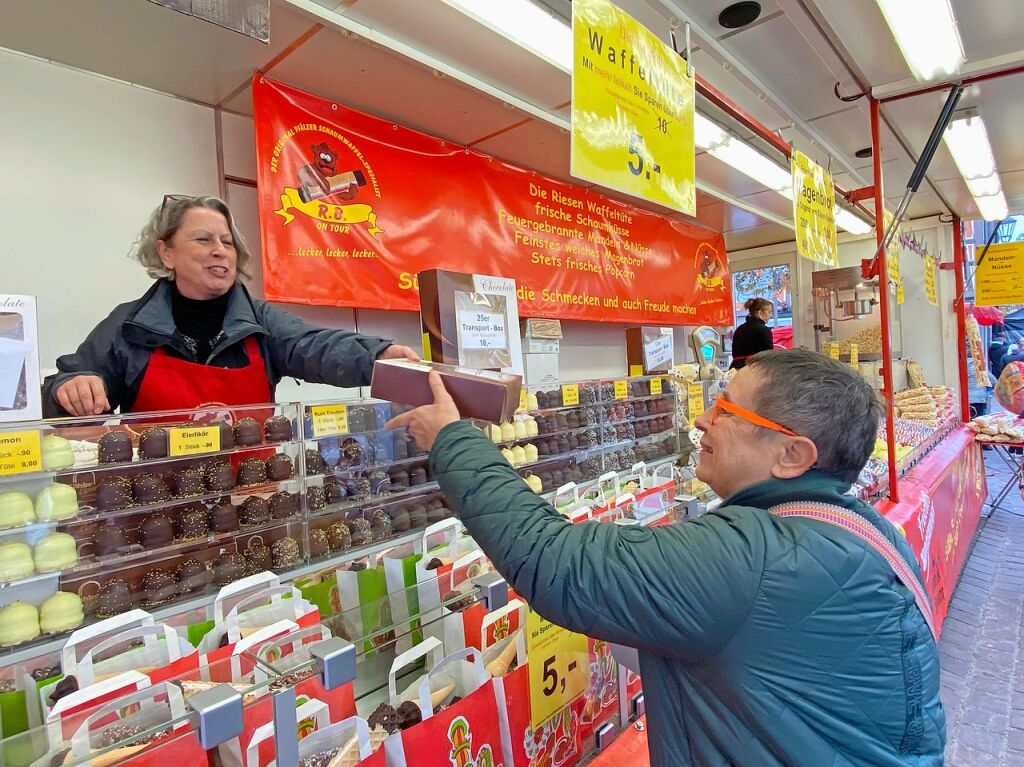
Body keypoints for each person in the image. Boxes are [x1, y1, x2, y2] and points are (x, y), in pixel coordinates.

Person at [389, 349, 944, 767]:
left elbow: (555, 560)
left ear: (791, 454)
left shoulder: (754, 558)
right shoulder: (860, 531)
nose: (702, 419)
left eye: (725, 409)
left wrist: (451, 440)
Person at [41, 195, 418, 416]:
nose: (220, 250)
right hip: (156, 511)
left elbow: (314, 345)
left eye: (227, 241)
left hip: (254, 509)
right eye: (203, 239)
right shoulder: (129, 324)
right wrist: (70, 386)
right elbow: (72, 378)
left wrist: (377, 356)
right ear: (166, 252)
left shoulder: (260, 320)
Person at [729, 297, 774, 369]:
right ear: (759, 313)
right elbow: (769, 356)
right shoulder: (764, 330)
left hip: (736, 370)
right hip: (755, 370)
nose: (771, 315)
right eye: (769, 312)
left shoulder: (739, 329)